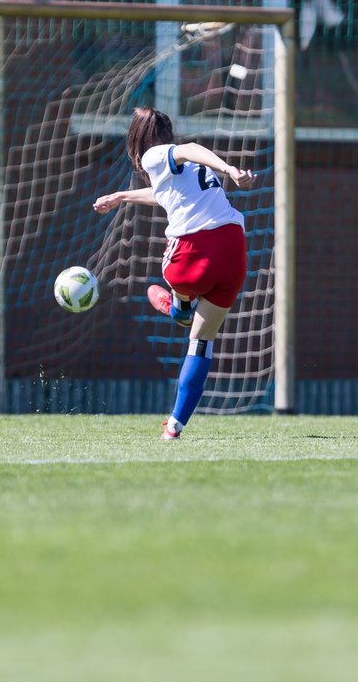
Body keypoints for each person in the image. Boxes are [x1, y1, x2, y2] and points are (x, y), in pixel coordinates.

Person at [93, 106, 255, 440]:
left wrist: (228, 168)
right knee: (201, 342)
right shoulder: (181, 170)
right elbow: (164, 194)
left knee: (174, 275)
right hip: (233, 251)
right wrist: (121, 196)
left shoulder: (156, 154)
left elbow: (190, 148)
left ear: (137, 140)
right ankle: (174, 427)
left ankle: (178, 307)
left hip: (193, 254)